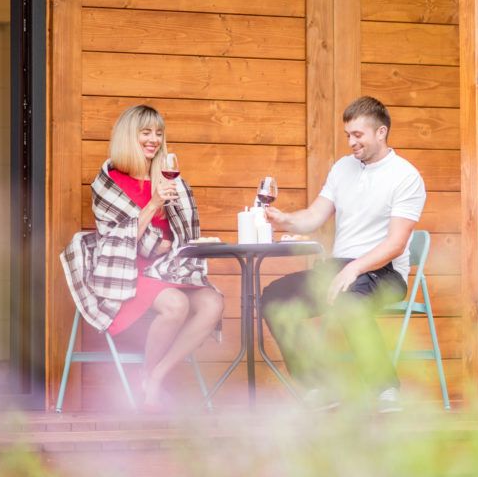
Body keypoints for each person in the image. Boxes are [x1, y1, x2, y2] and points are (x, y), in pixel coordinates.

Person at [262, 96, 426, 412]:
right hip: (340, 268)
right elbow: (313, 217)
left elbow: (396, 244)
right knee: (275, 297)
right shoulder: (342, 168)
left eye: (358, 135)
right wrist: (284, 219)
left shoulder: (405, 177)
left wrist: (355, 269)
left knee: (351, 301)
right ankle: (320, 387)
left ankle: (384, 389)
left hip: (384, 271)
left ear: (381, 132)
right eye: (348, 135)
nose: (351, 142)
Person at [61, 104, 223, 410]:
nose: (154, 140)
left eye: (159, 133)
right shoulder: (108, 184)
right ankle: (150, 379)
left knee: (214, 303)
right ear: (128, 137)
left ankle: (153, 376)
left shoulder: (169, 179)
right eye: (146, 133)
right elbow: (116, 241)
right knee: (176, 304)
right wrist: (154, 204)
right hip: (124, 271)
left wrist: (172, 244)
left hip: (166, 269)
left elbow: (181, 233)